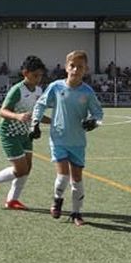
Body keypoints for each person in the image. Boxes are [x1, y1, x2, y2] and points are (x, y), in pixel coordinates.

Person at [32, 50, 104, 225]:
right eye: (72, 65)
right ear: (66, 67)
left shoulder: (87, 92)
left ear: (86, 69)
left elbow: (98, 113)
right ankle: (57, 199)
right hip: (59, 139)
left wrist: (94, 122)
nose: (75, 69)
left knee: (77, 178)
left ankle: (76, 213)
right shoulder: (56, 87)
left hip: (78, 141)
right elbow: (40, 104)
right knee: (63, 176)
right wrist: (34, 123)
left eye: (80, 66)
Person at [0, 55, 47, 211]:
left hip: (25, 134)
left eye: (40, 75)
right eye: (35, 75)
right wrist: (17, 116)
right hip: (10, 133)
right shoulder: (17, 90)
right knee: (21, 170)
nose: (38, 79)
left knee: (27, 168)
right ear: (25, 72)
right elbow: (2, 111)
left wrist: (55, 121)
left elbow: (36, 114)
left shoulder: (38, 91)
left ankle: (12, 200)